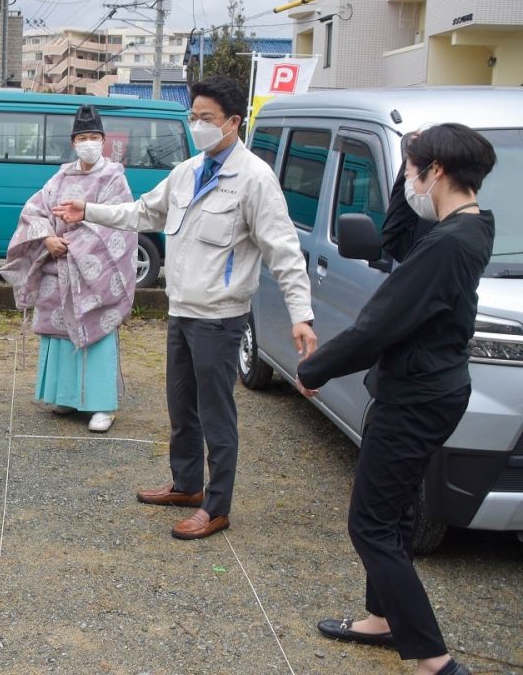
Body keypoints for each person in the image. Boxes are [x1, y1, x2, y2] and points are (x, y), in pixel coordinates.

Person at [53, 76, 316, 540]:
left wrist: (301, 314)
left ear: (234, 122)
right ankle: (186, 484)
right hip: (183, 311)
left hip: (220, 317)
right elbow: (142, 213)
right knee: (181, 405)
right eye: (193, 117)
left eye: (207, 119)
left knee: (216, 413)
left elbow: (284, 251)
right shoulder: (188, 170)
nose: (198, 126)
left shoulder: (254, 179)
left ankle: (216, 506)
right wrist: (88, 210)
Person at [297, 124, 495, 675]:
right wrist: (407, 173)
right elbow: (396, 242)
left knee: (371, 523)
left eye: (411, 171)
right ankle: (383, 619)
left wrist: (313, 368)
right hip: (432, 390)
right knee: (398, 509)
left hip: (416, 399)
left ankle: (434, 658)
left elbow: (377, 326)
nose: (406, 180)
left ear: (436, 173)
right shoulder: (468, 227)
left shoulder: (449, 245)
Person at [0, 104, 137, 433]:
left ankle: (102, 405)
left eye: (94, 137)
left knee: (97, 334)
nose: (88, 142)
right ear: (74, 142)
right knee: (58, 334)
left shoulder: (114, 180)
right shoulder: (61, 177)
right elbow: (35, 210)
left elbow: (118, 228)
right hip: (58, 268)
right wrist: (47, 238)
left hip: (94, 274)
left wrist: (73, 248)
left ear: (103, 141)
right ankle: (67, 396)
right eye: (82, 137)